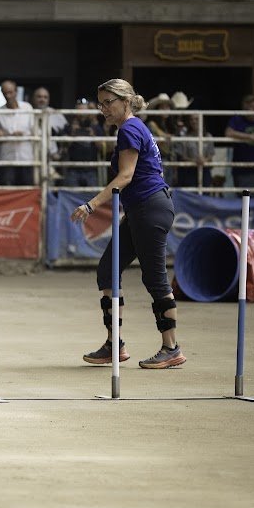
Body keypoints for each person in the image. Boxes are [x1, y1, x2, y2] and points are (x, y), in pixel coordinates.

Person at [71, 78, 185, 369]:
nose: (103, 109)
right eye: (101, 103)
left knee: (155, 277)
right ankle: (114, 344)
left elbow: (126, 176)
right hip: (141, 209)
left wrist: (90, 204)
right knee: (108, 270)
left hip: (150, 207)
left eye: (109, 102)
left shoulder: (130, 129)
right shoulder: (131, 128)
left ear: (126, 100)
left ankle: (171, 347)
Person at [225, 94, 254, 189]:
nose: (253, 110)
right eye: (250, 107)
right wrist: (250, 137)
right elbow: (228, 132)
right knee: (245, 199)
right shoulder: (237, 119)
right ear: (245, 108)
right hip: (243, 169)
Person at [0, 79, 35, 185]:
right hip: (7, 157)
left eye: (10, 92)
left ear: (16, 92)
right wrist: (8, 135)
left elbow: (34, 130)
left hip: (26, 156)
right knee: (8, 187)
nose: (8, 96)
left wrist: (23, 134)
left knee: (27, 186)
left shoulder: (27, 107)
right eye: (5, 93)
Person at [63, 97, 103, 186]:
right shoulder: (69, 127)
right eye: (79, 111)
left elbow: (102, 148)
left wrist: (93, 136)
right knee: (71, 196)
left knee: (92, 197)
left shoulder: (96, 127)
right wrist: (72, 134)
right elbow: (64, 147)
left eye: (84, 112)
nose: (82, 115)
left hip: (91, 169)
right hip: (73, 169)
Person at [173, 113, 214, 187]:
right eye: (191, 119)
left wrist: (204, 160)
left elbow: (210, 155)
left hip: (204, 170)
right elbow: (182, 156)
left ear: (202, 121)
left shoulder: (208, 136)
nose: (194, 121)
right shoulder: (185, 137)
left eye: (196, 119)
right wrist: (194, 161)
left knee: (205, 193)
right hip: (189, 171)